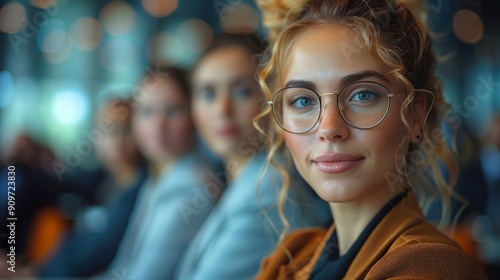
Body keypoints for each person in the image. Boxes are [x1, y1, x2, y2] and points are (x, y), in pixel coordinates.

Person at [254, 0, 488, 279]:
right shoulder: (292, 258)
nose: (329, 128)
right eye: (303, 100)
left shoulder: (431, 269)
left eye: (362, 95)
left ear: (416, 115)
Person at [173, 33, 331, 280]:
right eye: (208, 94)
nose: (222, 109)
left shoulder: (266, 191)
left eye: (242, 92)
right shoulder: (245, 179)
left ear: (272, 99)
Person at [95, 67, 221, 279]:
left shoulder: (191, 189)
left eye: (172, 111)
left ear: (193, 114)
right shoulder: (159, 178)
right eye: (146, 112)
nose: (158, 125)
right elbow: (122, 268)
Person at [38, 98, 148, 277]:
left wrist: (37, 273)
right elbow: (61, 181)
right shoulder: (107, 178)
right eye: (107, 130)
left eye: (126, 130)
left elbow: (97, 252)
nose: (117, 141)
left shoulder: (138, 189)